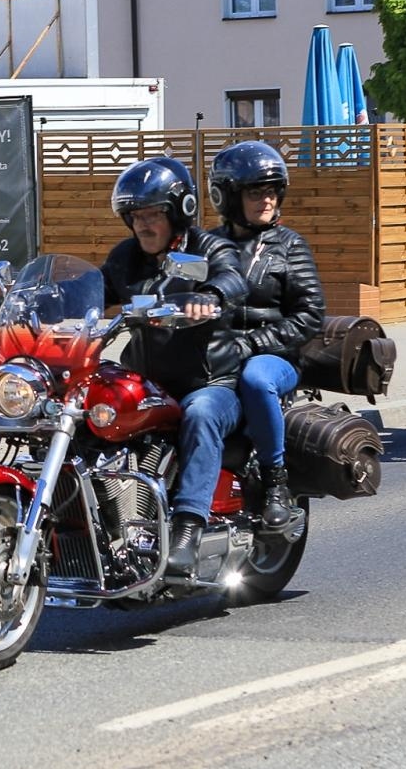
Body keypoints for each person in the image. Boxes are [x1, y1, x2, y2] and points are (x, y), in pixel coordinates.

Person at [100, 157, 249, 575]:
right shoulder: (127, 257)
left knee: (200, 415)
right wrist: (49, 301)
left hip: (210, 382)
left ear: (179, 212)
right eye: (135, 216)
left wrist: (212, 295)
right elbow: (96, 286)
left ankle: (187, 529)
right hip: (149, 382)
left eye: (152, 215)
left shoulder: (209, 247)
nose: (143, 225)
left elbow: (233, 277)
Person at [206, 142, 326, 533]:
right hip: (219, 355)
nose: (267, 200)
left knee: (256, 378)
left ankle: (276, 482)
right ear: (228, 197)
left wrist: (253, 344)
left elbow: (310, 315)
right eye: (256, 192)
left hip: (277, 357)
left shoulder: (290, 246)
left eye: (272, 191)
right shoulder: (206, 246)